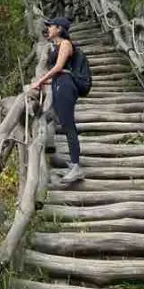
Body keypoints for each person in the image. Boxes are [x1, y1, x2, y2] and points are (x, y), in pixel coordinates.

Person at [30, 17, 83, 185]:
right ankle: (72, 165)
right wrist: (43, 82)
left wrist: (39, 81)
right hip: (59, 85)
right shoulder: (56, 45)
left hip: (66, 86)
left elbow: (59, 67)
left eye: (51, 26)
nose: (48, 28)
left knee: (69, 125)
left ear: (59, 29)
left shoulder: (66, 44)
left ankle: (76, 167)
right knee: (62, 122)